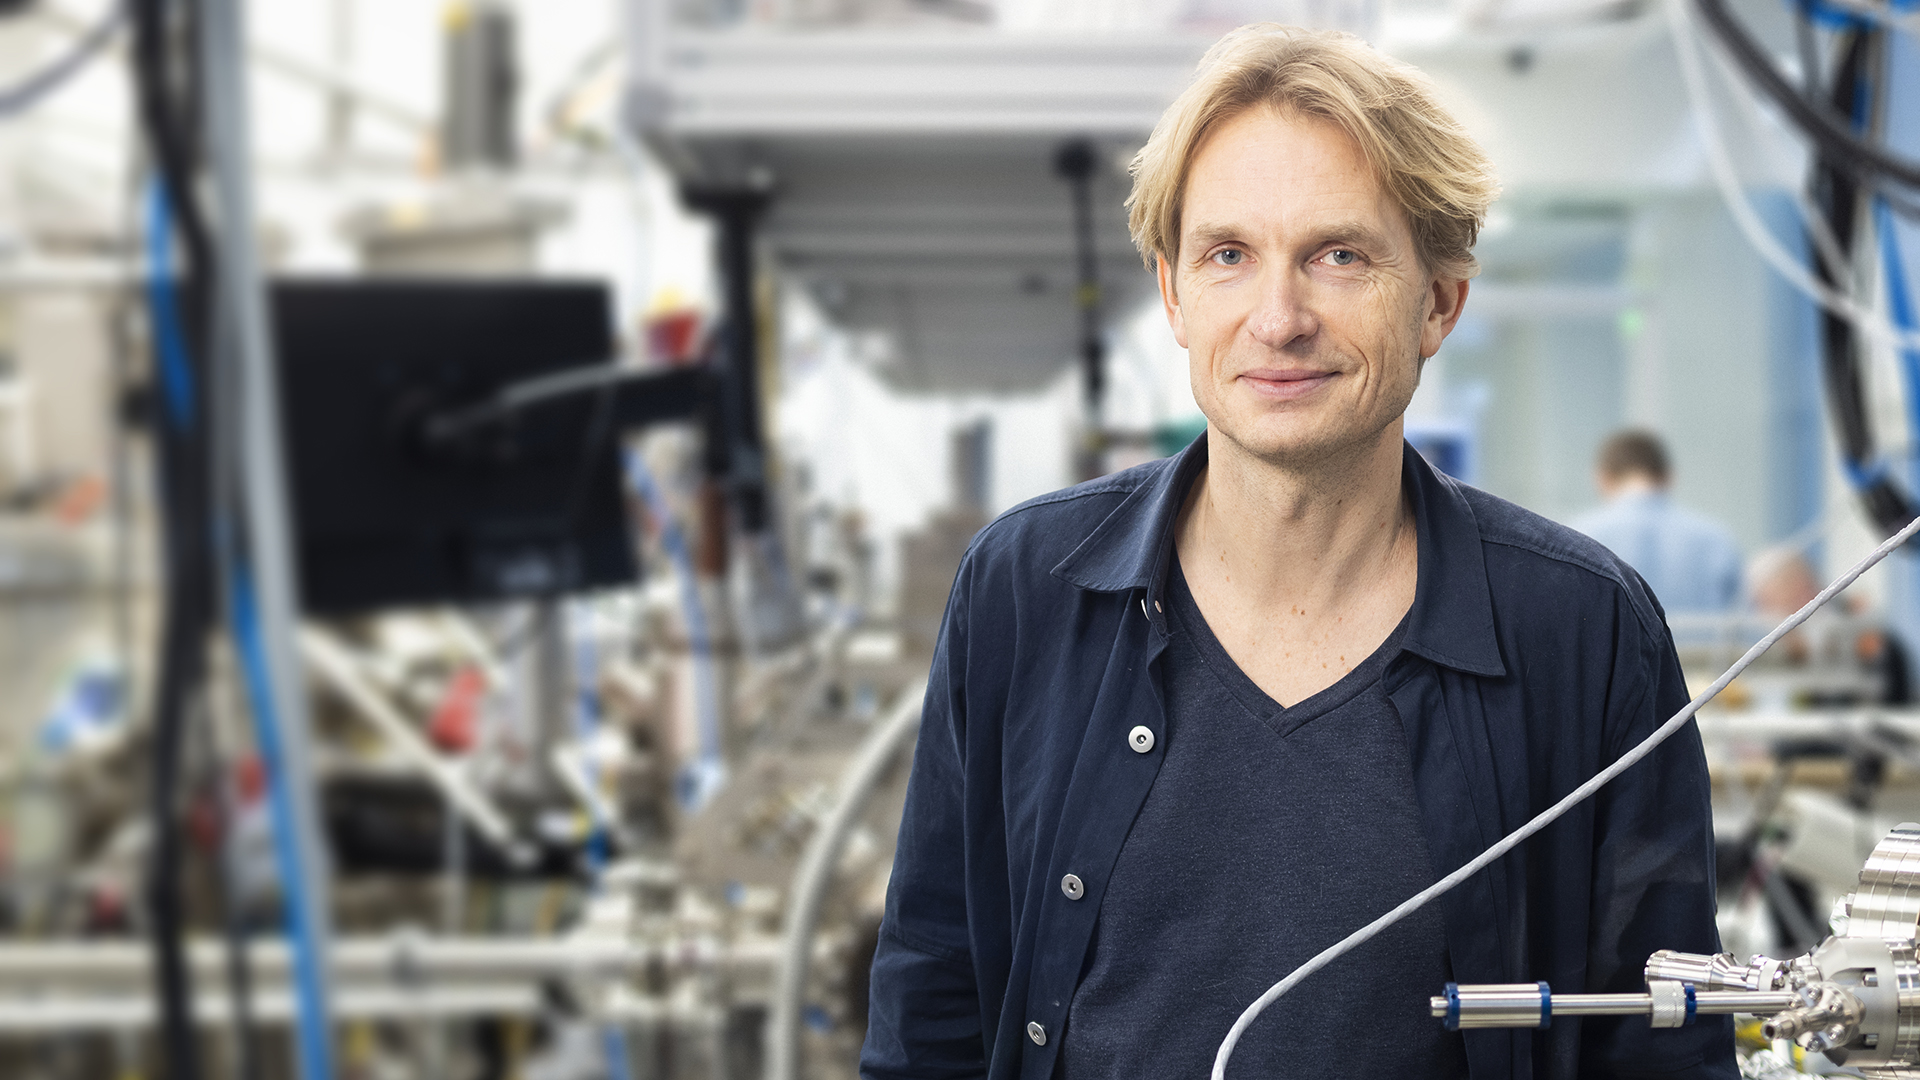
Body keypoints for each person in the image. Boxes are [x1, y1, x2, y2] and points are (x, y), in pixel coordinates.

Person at [862, 24, 1731, 1080]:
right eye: (1229, 255)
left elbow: (1664, 1047)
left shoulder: (1582, 631)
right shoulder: (1025, 592)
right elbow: (930, 1009)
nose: (1278, 318)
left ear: (1438, 304)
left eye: (1340, 256)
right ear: (1175, 297)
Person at [1570, 430, 1744, 613]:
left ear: (1603, 477)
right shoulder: (1716, 539)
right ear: (1668, 475)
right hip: (1700, 642)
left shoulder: (1577, 536)